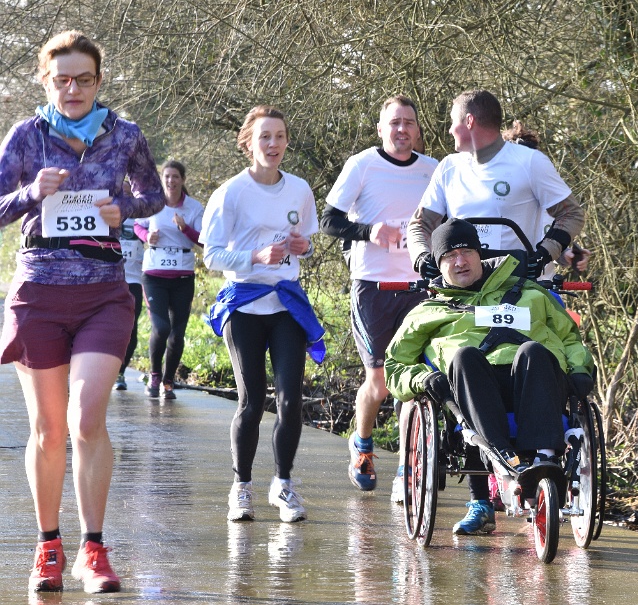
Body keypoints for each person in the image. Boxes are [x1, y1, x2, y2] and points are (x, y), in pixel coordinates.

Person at [0, 30, 164, 593]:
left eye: (84, 79)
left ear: (98, 81)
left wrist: (123, 209)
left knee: (86, 418)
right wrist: (30, 194)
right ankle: (48, 546)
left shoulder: (125, 135)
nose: (73, 89)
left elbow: (153, 196)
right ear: (45, 81)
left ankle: (93, 551)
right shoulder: (26, 136)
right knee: (49, 431)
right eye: (62, 79)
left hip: (102, 292)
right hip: (40, 293)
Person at [384, 219, 595, 535]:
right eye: (449, 256)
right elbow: (395, 365)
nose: (460, 261)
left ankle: (544, 459)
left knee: (533, 350)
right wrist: (422, 379)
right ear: (438, 265)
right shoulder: (428, 312)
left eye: (466, 252)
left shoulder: (533, 294)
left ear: (479, 254)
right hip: (473, 389)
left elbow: (569, 339)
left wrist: (579, 370)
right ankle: (504, 459)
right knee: (465, 356)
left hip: (536, 378)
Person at [200, 105, 324, 524]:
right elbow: (212, 256)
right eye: (265, 137)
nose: (273, 144)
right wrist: (254, 256)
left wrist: (304, 247)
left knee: (290, 400)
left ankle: (283, 485)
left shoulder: (300, 189)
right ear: (248, 143)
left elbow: (306, 240)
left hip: (286, 305)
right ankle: (241, 488)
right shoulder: (231, 193)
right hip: (245, 305)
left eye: (280, 136)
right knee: (252, 401)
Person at [319, 95, 438, 500]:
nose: (402, 129)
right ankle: (363, 444)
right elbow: (329, 221)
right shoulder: (362, 165)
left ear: (418, 130)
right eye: (394, 123)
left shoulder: (433, 170)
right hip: (373, 287)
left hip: (420, 287)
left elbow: (452, 222)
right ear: (381, 129)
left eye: (409, 122)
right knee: (382, 382)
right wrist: (370, 231)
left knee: (415, 381)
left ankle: (407, 469)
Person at [406, 89, 586, 279]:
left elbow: (572, 214)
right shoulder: (448, 167)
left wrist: (544, 255)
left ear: (469, 121)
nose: (450, 130)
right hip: (465, 288)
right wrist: (421, 258)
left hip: (519, 286)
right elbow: (419, 225)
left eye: (453, 121)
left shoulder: (530, 161)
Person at [134, 159, 204, 400]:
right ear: (161, 179)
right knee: (161, 327)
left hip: (183, 276)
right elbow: (137, 225)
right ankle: (154, 375)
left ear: (183, 180)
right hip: (154, 275)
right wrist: (147, 236)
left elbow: (204, 239)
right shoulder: (152, 202)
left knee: (177, 334)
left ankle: (168, 381)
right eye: (166, 176)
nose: (171, 181)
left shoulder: (193, 208)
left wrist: (185, 229)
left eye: (175, 176)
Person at [501, 120, 591, 273]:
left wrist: (567, 254)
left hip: (539, 282)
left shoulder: (554, 201)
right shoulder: (496, 201)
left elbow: (550, 239)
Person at [114, 180, 146, 392]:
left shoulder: (141, 218)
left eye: (128, 194)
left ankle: (120, 372)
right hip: (109, 278)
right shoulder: (106, 214)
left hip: (134, 279)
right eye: (120, 193)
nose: (124, 197)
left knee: (131, 328)